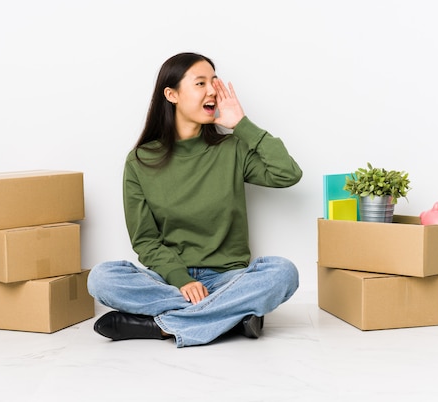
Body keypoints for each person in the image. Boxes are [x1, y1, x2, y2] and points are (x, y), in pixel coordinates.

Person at [87, 52, 302, 348]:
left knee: (283, 272)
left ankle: (160, 326)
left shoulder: (232, 149)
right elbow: (145, 240)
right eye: (200, 83)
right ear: (171, 94)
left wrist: (241, 124)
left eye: (214, 82)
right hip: (170, 280)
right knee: (101, 278)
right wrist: (182, 280)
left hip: (229, 279)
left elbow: (287, 174)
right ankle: (230, 315)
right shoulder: (140, 161)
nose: (213, 90)